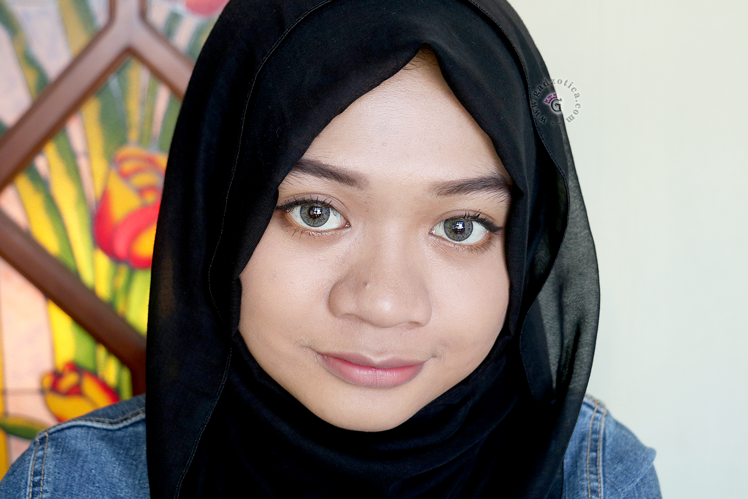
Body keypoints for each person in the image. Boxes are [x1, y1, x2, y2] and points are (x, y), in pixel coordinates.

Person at [0, 0, 661, 497]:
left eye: (462, 226)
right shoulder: (73, 483)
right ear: (220, 218)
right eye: (315, 213)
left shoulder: (596, 477)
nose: (384, 302)